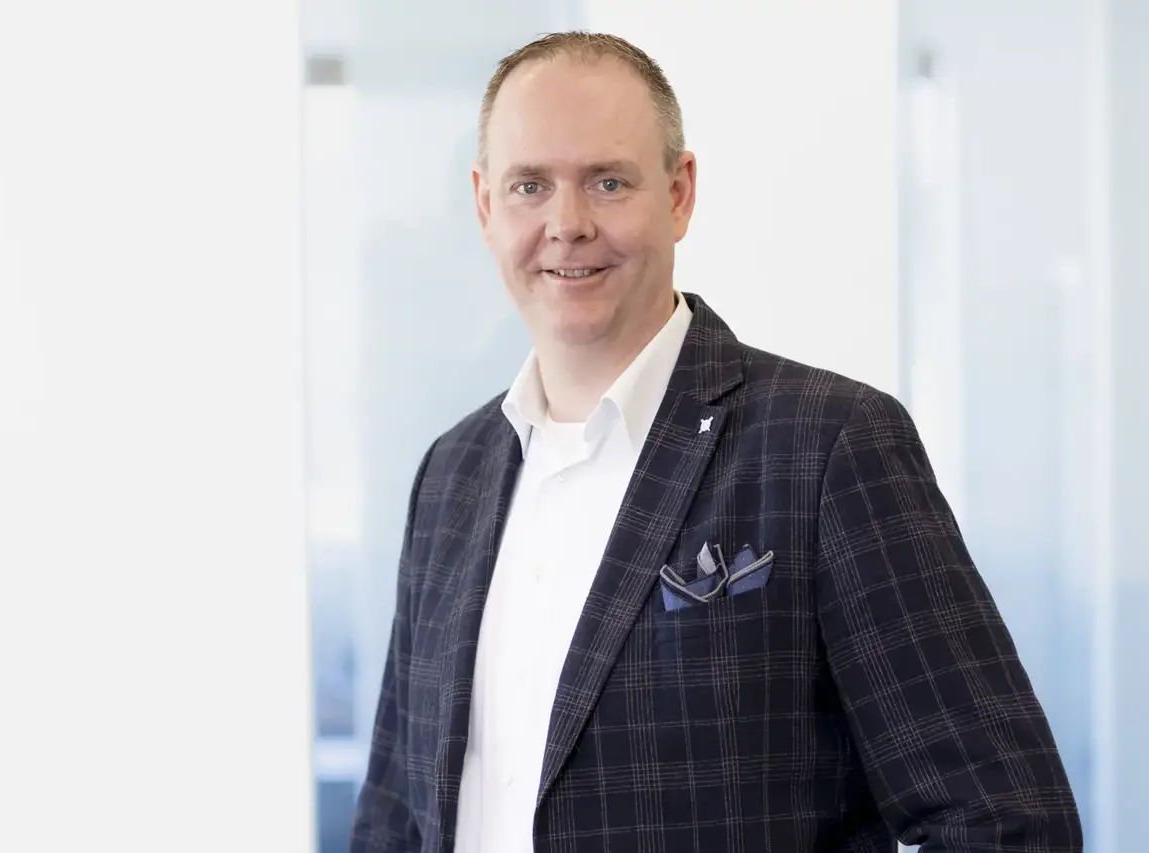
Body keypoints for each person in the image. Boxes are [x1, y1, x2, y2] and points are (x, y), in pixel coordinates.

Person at [351, 31, 1082, 853]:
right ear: (485, 206)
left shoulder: (826, 447)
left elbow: (1006, 821)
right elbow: (393, 822)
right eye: (530, 186)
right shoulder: (451, 475)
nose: (567, 223)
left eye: (608, 181)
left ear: (679, 193)